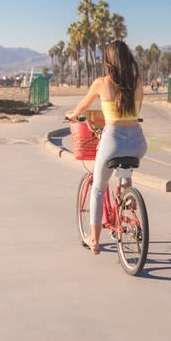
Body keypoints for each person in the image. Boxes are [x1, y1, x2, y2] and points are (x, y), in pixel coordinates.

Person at [65, 40, 147, 255]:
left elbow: (83, 106)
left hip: (113, 141)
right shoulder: (138, 81)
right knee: (125, 168)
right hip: (138, 142)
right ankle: (128, 201)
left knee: (99, 187)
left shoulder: (101, 83)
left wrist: (72, 116)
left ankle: (94, 239)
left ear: (108, 61)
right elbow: (136, 110)